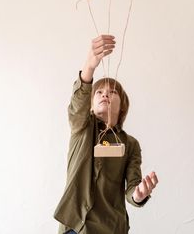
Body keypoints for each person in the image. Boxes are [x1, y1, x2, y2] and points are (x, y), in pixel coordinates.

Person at [54, 34, 158, 234]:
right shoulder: (82, 127)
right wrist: (89, 66)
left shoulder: (130, 144)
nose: (105, 94)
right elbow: (77, 107)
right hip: (75, 227)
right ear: (91, 104)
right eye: (99, 92)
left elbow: (132, 187)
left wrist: (138, 194)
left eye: (112, 92)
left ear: (122, 106)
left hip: (111, 228)